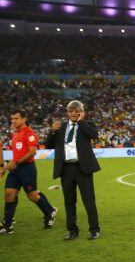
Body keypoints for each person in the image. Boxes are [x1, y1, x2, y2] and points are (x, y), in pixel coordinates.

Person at [44, 100, 102, 240]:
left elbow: (94, 134)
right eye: (71, 111)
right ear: (67, 113)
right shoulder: (61, 127)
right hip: (66, 170)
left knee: (89, 201)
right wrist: (52, 131)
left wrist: (81, 122)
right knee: (69, 202)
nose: (74, 113)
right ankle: (72, 230)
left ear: (82, 112)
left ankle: (94, 229)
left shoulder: (87, 124)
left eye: (77, 111)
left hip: (83, 169)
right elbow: (48, 145)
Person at [0, 110, 57, 235]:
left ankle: (49, 214)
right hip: (15, 168)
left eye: (16, 118)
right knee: (9, 194)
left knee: (32, 196)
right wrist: (5, 167)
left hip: (27, 168)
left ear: (24, 119)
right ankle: (7, 225)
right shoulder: (15, 134)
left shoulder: (29, 133)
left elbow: (32, 152)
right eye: (12, 119)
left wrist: (16, 163)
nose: (13, 121)